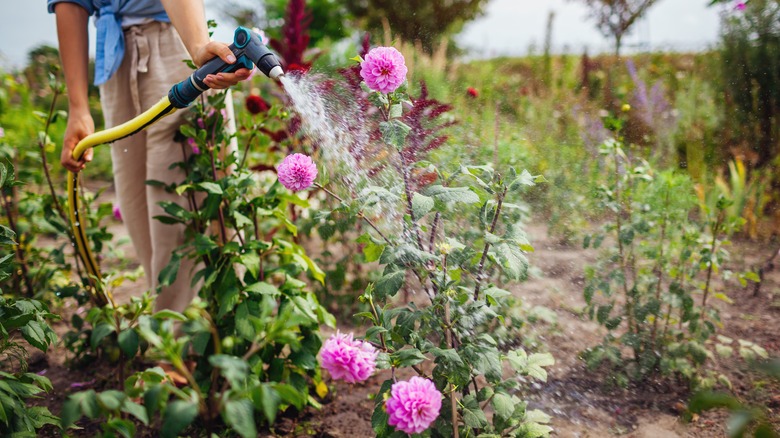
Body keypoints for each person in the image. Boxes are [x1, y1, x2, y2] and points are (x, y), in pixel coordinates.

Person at [48, 0, 249, 312]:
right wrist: (78, 107)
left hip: (174, 40)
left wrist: (196, 44)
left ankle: (198, 337)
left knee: (183, 199)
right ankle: (174, 333)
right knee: (136, 203)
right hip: (115, 58)